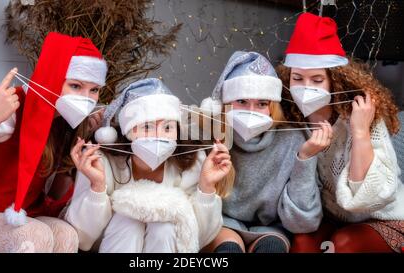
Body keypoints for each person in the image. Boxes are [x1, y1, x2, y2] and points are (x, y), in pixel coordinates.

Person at [0, 32, 108, 253]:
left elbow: (53, 196)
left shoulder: (66, 122)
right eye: (75, 86)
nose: (86, 97)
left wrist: (74, 162)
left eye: (94, 90)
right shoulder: (7, 105)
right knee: (34, 235)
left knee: (66, 235)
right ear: (52, 76)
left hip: (21, 213)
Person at [276, 12, 404, 253]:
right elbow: (301, 217)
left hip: (383, 217)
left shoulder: (364, 116)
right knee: (302, 244)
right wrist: (305, 157)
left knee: (343, 243)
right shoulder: (292, 122)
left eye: (316, 80)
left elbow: (368, 198)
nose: (305, 88)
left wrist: (359, 132)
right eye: (297, 78)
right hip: (333, 220)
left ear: (335, 81)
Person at [64, 78, 234, 253]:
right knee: (128, 222)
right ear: (129, 130)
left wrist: (206, 187)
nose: (158, 136)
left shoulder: (192, 160)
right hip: (113, 240)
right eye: (147, 127)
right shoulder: (101, 160)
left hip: (166, 242)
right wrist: (97, 187)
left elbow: (198, 239)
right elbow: (82, 238)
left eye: (168, 128)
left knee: (164, 227)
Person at [200, 51, 325, 253]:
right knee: (228, 250)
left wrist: (305, 159)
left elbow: (304, 223)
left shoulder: (293, 139)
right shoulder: (208, 134)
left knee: (271, 248)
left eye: (261, 104)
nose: (251, 111)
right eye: (241, 101)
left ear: (271, 107)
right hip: (222, 225)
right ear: (225, 103)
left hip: (272, 230)